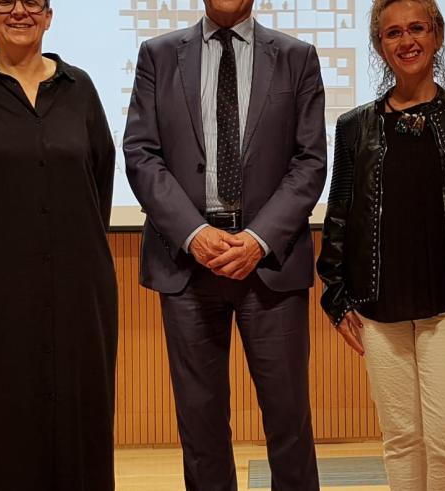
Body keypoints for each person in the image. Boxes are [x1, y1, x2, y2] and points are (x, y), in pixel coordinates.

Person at [122, 0, 326, 488]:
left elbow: (310, 161)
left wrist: (258, 239)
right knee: (201, 424)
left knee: (288, 422)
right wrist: (194, 234)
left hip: (271, 263)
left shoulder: (297, 56)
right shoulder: (159, 54)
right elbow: (141, 154)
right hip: (188, 263)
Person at [0, 0, 118, 489]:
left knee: (79, 412)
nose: (19, 11)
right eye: (4, 2)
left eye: (32, 1)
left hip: (78, 286)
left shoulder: (80, 88)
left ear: (50, 15)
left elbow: (99, 178)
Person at [317, 1, 445, 489]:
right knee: (400, 438)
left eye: (416, 28)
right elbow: (339, 214)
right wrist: (335, 296)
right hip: (378, 307)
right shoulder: (354, 126)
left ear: (437, 35)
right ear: (380, 46)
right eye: (392, 33)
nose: (406, 41)